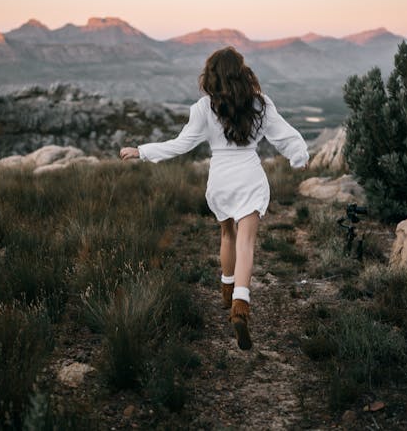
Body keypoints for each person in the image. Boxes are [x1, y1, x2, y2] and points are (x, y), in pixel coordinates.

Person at [120, 46, 309, 350]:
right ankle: (240, 303)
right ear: (242, 72)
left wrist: (141, 151)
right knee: (247, 241)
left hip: (221, 178)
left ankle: (226, 284)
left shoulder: (202, 108)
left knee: (227, 234)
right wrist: (299, 157)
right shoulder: (260, 104)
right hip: (249, 174)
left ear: (211, 76)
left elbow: (179, 145)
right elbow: (285, 135)